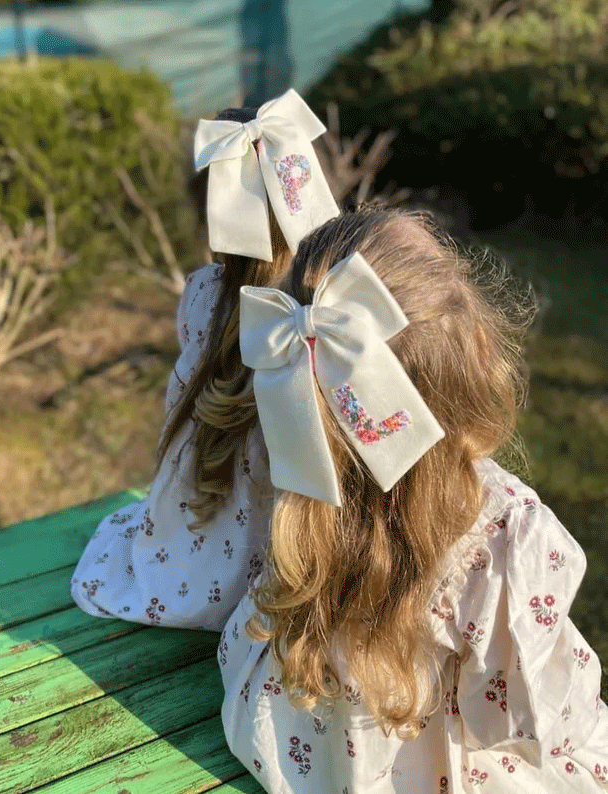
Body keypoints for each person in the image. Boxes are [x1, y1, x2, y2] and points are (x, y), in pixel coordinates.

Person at [218, 207, 608, 792]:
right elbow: (523, 714)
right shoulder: (503, 532)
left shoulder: (298, 464)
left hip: (303, 746)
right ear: (478, 352)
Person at [71, 88, 340, 630]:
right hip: (301, 543)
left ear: (215, 225)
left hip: (206, 513)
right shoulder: (337, 309)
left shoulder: (204, 297)